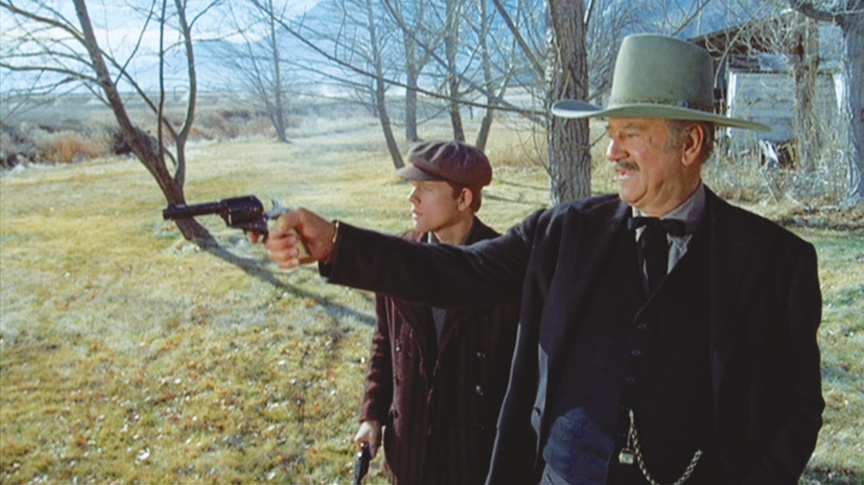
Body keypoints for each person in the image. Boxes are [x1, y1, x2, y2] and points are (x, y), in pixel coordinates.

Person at [257, 34, 824, 484]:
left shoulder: (776, 264)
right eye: (609, 132)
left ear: (691, 144)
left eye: (631, 132)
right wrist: (337, 244)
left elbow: (800, 409)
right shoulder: (565, 232)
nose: (611, 151)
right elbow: (458, 272)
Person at [352, 141, 520, 485]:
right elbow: (385, 343)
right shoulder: (397, 258)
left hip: (476, 461)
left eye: (425, 189)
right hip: (409, 453)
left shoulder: (505, 267)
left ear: (464, 199)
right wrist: (371, 415)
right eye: (412, 188)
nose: (412, 198)